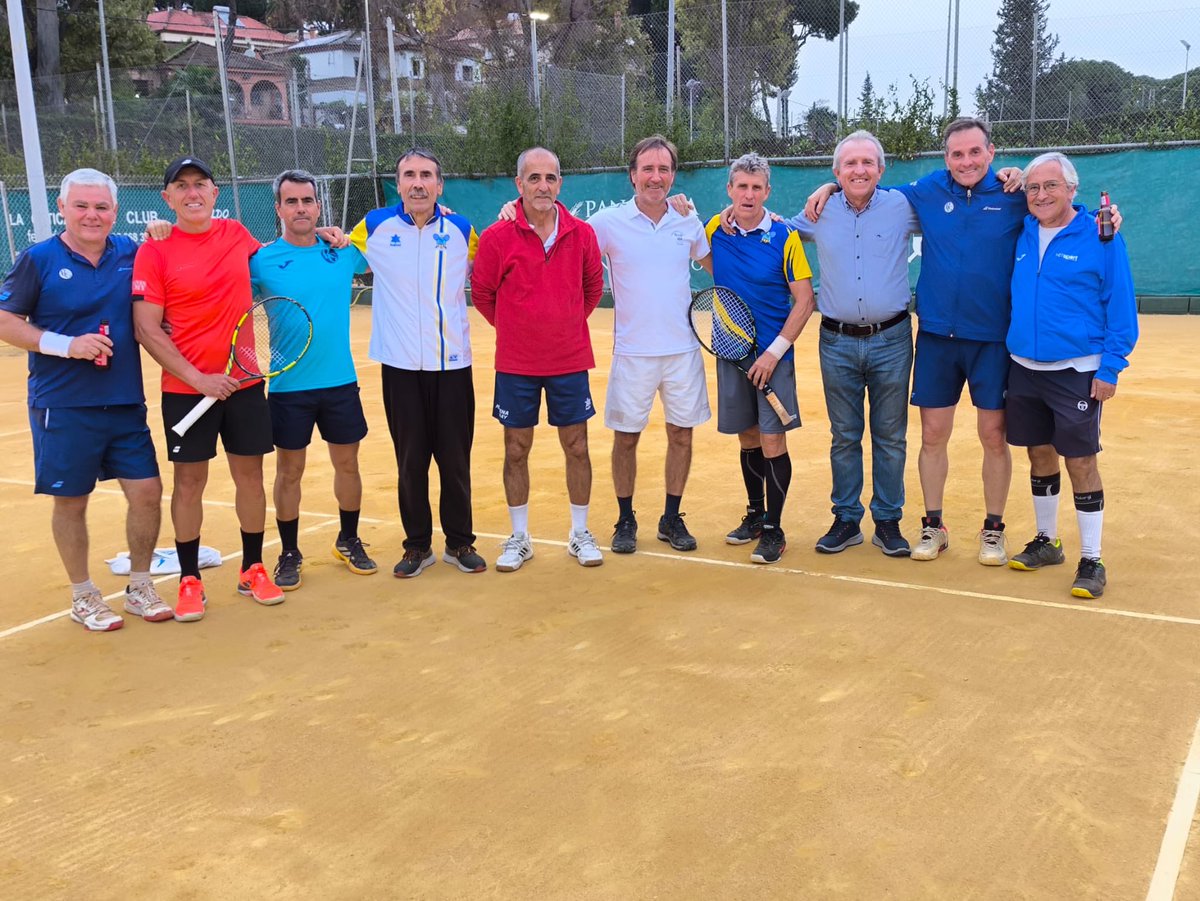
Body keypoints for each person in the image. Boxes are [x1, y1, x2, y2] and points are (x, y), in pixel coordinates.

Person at [804, 117, 1122, 566]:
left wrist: (1100, 216)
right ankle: (933, 525)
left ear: (992, 155)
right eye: (957, 154)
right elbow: (864, 185)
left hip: (992, 341)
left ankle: (993, 530)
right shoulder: (927, 191)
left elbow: (1058, 206)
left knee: (994, 436)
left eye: (975, 152)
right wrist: (829, 186)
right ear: (946, 158)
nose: (966, 161)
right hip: (936, 337)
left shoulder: (1015, 196)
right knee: (932, 434)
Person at [503, 136, 712, 553]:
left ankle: (671, 519)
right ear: (632, 175)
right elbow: (556, 234)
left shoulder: (688, 221)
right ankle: (625, 518)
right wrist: (515, 209)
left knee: (682, 437)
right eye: (647, 169)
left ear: (673, 175)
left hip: (683, 352)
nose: (656, 177)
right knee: (627, 439)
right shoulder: (606, 224)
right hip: (632, 354)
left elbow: (715, 261)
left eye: (664, 169)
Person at [0, 168, 169, 631]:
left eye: (101, 207)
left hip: (124, 401)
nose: (92, 215)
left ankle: (139, 586)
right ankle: (84, 595)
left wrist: (161, 235)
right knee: (72, 501)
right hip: (64, 405)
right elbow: (6, 320)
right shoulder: (38, 259)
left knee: (148, 493)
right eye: (82, 206)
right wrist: (66, 344)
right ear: (63, 208)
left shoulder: (133, 253)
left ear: (115, 211)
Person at [132, 156, 285, 620]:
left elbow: (279, 260)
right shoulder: (153, 249)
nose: (192, 192)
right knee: (189, 482)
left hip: (242, 382)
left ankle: (253, 568)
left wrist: (323, 236)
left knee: (250, 477)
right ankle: (189, 580)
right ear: (168, 197)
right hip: (186, 390)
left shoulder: (237, 234)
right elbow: (146, 328)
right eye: (182, 186)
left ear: (215, 194)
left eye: (201, 184)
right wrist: (198, 379)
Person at [1005, 152, 1137, 599]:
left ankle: (1092, 558)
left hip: (1077, 370)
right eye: (1033, 188)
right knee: (1039, 454)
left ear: (1071, 190)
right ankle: (1047, 542)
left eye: (1051, 187)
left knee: (1080, 462)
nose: (1041, 195)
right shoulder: (1022, 229)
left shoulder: (1101, 235)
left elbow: (1120, 305)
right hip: (1024, 367)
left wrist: (1112, 367)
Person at [350, 149, 486, 578]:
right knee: (410, 461)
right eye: (409, 175)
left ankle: (460, 543)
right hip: (400, 366)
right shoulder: (373, 227)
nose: (418, 183)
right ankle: (417, 546)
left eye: (427, 175)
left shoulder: (464, 230)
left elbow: (489, 268)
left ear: (440, 185)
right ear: (399, 184)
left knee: (455, 460)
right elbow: (334, 248)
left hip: (452, 366)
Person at [785, 131, 921, 557]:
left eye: (867, 162)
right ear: (836, 172)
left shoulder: (903, 206)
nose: (859, 170)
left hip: (893, 339)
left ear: (881, 170)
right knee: (844, 435)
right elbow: (772, 232)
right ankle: (846, 519)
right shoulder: (817, 211)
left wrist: (1011, 176)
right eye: (849, 164)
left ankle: (887, 520)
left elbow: (960, 207)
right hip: (837, 341)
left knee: (890, 435)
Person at [471, 146, 605, 571]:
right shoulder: (496, 237)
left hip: (569, 360)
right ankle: (519, 537)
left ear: (560, 184)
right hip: (516, 364)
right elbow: (483, 294)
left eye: (550, 178)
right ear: (519, 185)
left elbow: (592, 290)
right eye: (534, 178)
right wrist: (518, 331)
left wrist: (562, 325)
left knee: (577, 446)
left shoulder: (582, 234)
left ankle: (579, 533)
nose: (542, 186)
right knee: (516, 448)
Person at [249, 169, 376, 590]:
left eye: (307, 201)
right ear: (278, 209)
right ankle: (289, 551)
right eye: (291, 202)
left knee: (348, 464)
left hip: (340, 382)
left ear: (318, 206)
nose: (300, 208)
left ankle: (349, 539)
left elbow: (394, 238)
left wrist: (440, 210)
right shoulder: (261, 260)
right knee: (289, 471)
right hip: (288, 387)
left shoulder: (342, 252)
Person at [703, 153, 816, 563]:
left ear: (768, 192)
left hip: (772, 357)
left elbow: (805, 301)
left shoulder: (784, 236)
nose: (748, 195)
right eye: (741, 187)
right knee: (747, 436)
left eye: (756, 188)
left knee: (772, 440)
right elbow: (701, 255)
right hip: (731, 353)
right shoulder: (716, 227)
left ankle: (774, 529)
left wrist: (773, 353)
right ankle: (754, 514)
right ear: (729, 190)